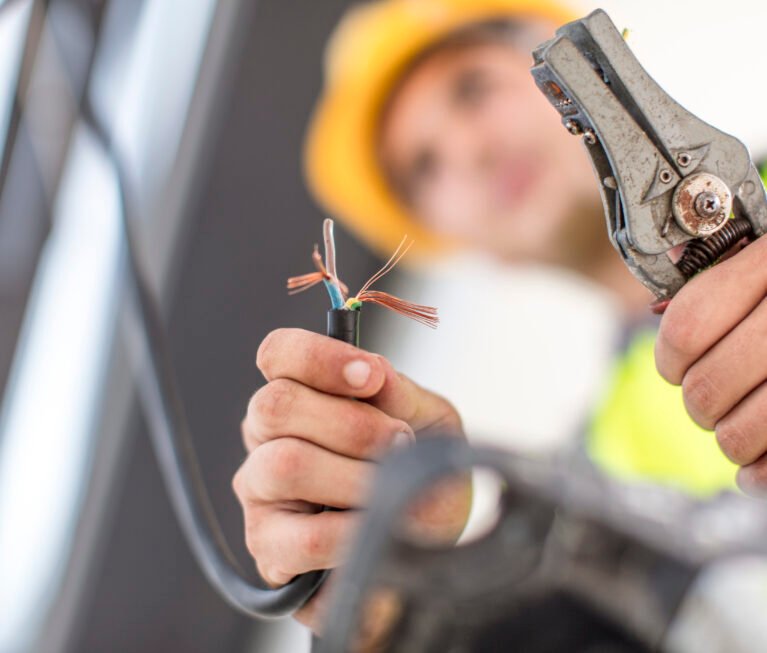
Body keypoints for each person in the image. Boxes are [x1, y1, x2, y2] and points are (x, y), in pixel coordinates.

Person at [231, 0, 767, 642]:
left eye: (472, 89)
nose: (470, 151)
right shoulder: (603, 478)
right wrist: (396, 609)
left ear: (563, 74)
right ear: (453, 242)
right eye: (426, 166)